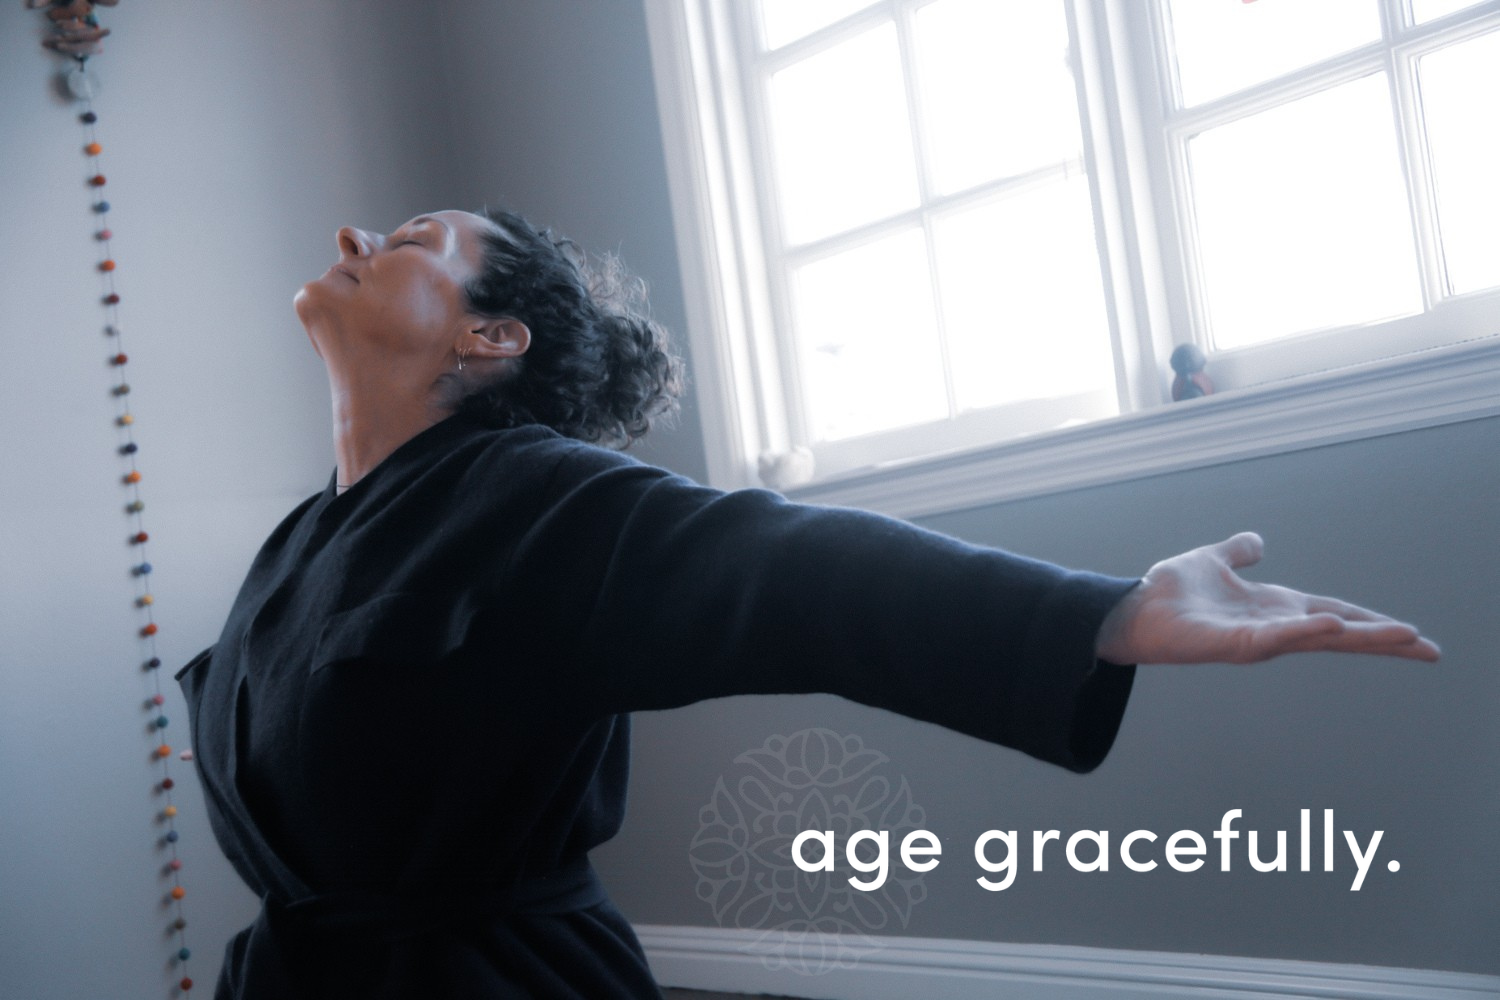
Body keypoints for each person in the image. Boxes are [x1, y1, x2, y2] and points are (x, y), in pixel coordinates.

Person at [177, 208, 1439, 1000]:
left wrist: (1103, 614)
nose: (357, 236)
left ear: (491, 338)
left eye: (411, 241)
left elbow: (785, 565)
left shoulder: (528, 494)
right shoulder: (304, 537)